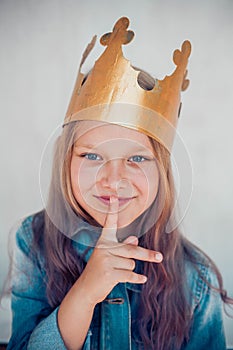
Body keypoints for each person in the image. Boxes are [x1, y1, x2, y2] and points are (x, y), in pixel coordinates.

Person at [7, 17, 232, 350]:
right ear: (66, 161)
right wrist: (84, 293)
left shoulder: (195, 278)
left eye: (137, 159)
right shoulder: (34, 242)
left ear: (162, 173)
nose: (113, 180)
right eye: (93, 157)